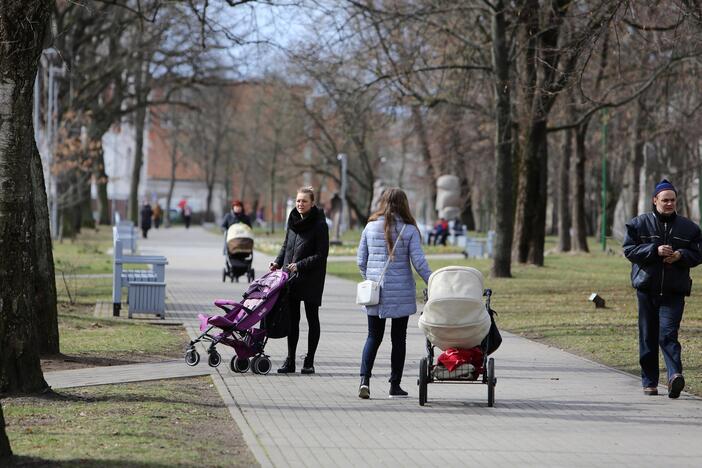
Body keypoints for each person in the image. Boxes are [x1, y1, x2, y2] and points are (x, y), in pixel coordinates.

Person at [623, 179, 702, 398]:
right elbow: (629, 250)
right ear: (655, 200)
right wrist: (654, 251)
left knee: (668, 334)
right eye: (665, 200)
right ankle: (649, 382)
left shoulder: (689, 228)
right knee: (648, 337)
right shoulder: (639, 224)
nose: (669, 204)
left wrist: (680, 255)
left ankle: (675, 376)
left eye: (673, 200)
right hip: (647, 289)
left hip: (674, 291)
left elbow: (698, 253)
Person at [356, 187, 431, 399]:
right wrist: (434, 281)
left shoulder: (370, 227)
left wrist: (369, 279)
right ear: (404, 204)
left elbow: (361, 260)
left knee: (373, 336)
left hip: (376, 292)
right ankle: (394, 385)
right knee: (399, 339)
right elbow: (419, 262)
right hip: (401, 292)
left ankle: (364, 381)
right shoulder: (409, 230)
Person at [269, 186, 329, 375]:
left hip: (311, 278)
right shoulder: (293, 220)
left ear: (312, 203)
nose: (300, 204)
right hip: (291, 277)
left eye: (304, 201)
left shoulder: (319, 224)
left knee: (312, 319)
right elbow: (287, 244)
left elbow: (322, 254)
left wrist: (301, 265)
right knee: (292, 319)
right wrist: (278, 262)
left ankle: (309, 361)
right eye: (298, 201)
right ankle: (290, 360)